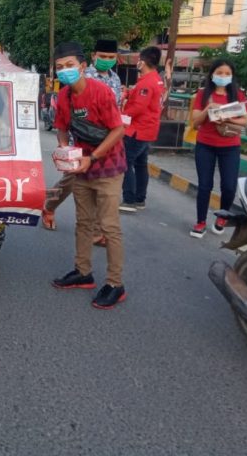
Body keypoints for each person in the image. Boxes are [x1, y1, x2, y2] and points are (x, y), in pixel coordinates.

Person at [50, 41, 128, 310]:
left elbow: (118, 130)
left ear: (83, 67)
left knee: (108, 226)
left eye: (70, 66)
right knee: (83, 223)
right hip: (81, 166)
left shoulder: (101, 92)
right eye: (60, 68)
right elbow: (61, 127)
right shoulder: (63, 97)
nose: (65, 71)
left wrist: (92, 158)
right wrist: (64, 149)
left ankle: (115, 284)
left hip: (107, 166)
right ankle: (82, 272)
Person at [42, 38, 121, 245]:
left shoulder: (115, 79)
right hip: (82, 147)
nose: (106, 60)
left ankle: (97, 231)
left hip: (107, 143)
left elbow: (115, 113)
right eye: (102, 56)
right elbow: (64, 123)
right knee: (71, 181)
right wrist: (64, 147)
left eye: (111, 57)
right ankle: (49, 206)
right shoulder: (82, 77)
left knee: (100, 189)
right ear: (92, 58)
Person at [189, 59, 247, 238]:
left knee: (229, 186)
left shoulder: (238, 95)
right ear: (212, 74)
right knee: (205, 185)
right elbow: (195, 122)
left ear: (232, 76)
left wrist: (226, 117)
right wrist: (209, 108)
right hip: (205, 145)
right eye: (219, 73)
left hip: (230, 146)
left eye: (227, 74)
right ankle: (200, 222)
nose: (223, 76)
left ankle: (222, 216)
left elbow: (244, 120)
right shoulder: (202, 94)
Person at [119, 46, 164, 212]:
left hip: (138, 129)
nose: (137, 63)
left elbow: (138, 107)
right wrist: (130, 92)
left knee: (125, 162)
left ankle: (129, 199)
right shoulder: (156, 80)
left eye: (139, 60)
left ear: (142, 62)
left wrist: (120, 115)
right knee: (140, 164)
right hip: (149, 129)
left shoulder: (147, 82)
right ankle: (139, 198)